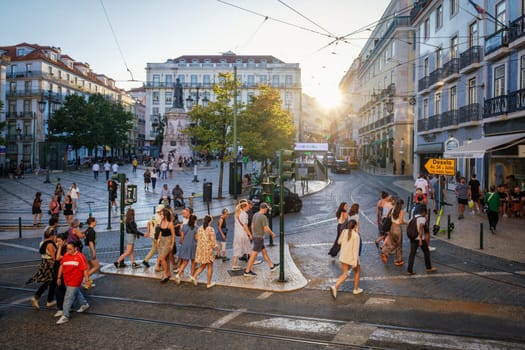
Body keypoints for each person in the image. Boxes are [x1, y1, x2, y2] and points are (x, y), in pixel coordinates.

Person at [56, 242, 91, 324]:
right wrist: (58, 277)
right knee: (76, 292)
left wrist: (87, 280)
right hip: (66, 279)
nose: (68, 250)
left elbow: (84, 269)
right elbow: (61, 265)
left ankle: (65, 316)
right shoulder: (66, 255)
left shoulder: (80, 256)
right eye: (67, 249)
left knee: (68, 297)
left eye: (70, 249)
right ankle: (84, 304)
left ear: (75, 248)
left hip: (75, 280)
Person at [243, 203, 279, 277]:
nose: (267, 210)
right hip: (259, 238)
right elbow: (266, 229)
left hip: (256, 237)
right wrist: (272, 234)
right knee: (253, 255)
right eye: (267, 209)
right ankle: (247, 271)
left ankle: (271, 266)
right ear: (264, 209)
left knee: (264, 252)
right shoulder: (263, 217)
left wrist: (253, 234)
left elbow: (252, 225)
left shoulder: (255, 214)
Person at [330, 219, 362, 299]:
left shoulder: (344, 232)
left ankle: (336, 286)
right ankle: (355, 289)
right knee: (357, 271)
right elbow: (356, 250)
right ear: (355, 226)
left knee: (345, 274)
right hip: (351, 258)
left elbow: (339, 242)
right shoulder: (356, 235)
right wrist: (355, 262)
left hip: (343, 256)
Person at [29, 229, 57, 310]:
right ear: (51, 236)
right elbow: (54, 257)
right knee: (50, 281)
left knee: (51, 282)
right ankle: (36, 297)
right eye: (54, 235)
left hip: (44, 263)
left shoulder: (42, 242)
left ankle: (49, 300)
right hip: (50, 265)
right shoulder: (50, 245)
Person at [407, 207, 437, 275]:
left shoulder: (413, 217)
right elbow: (421, 229)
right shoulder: (422, 219)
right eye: (425, 213)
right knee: (426, 251)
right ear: (423, 212)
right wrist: (420, 240)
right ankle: (428, 267)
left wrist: (410, 235)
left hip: (413, 238)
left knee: (412, 254)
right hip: (420, 238)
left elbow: (408, 224)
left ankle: (409, 270)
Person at [191, 215, 217, 288]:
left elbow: (196, 237)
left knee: (203, 265)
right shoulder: (211, 229)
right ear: (210, 221)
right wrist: (216, 247)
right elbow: (213, 241)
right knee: (210, 266)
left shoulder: (199, 228)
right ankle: (208, 283)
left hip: (201, 249)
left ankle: (194, 276)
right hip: (208, 250)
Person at [381, 199, 405, 266]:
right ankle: (398, 260)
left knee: (392, 242)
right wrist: (406, 222)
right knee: (399, 245)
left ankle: (385, 252)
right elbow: (400, 222)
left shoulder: (392, 209)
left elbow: (389, 217)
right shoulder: (401, 212)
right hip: (397, 229)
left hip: (392, 227)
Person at [176, 214, 198, 284]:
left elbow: (182, 238)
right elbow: (196, 238)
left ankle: (178, 275)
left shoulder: (184, 226)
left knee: (185, 261)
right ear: (194, 220)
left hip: (185, 245)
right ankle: (192, 276)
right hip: (193, 246)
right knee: (194, 261)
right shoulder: (196, 228)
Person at [231, 202, 253, 271]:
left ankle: (234, 265)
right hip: (243, 234)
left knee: (237, 249)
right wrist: (249, 234)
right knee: (249, 248)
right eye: (247, 207)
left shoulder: (237, 214)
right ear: (244, 207)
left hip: (237, 234)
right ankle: (252, 263)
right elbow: (245, 226)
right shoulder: (244, 214)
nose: (248, 208)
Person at [142, 204, 164, 270]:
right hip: (157, 236)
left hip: (152, 235)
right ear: (161, 210)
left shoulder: (153, 216)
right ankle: (159, 265)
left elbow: (148, 223)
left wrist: (148, 232)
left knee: (153, 249)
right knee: (161, 251)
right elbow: (161, 228)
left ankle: (145, 260)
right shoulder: (160, 218)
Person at [157, 207, 175, 283]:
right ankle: (168, 274)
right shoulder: (161, 222)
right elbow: (161, 231)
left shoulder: (170, 224)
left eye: (161, 214)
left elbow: (173, 235)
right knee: (165, 259)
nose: (160, 215)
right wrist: (158, 239)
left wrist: (172, 244)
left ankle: (166, 274)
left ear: (165, 215)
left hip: (168, 241)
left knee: (162, 258)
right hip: (162, 241)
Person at [52, 234, 67, 318]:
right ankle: (68, 306)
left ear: (64, 241)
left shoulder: (66, 249)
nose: (57, 243)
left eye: (59, 241)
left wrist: (60, 247)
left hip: (62, 273)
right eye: (57, 241)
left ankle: (61, 309)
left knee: (59, 291)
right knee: (62, 290)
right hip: (57, 272)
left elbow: (57, 258)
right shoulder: (59, 248)